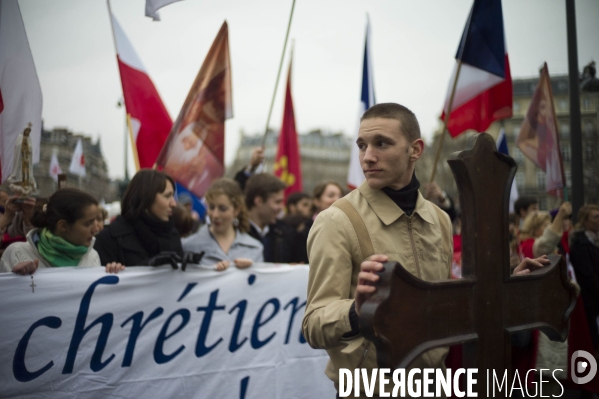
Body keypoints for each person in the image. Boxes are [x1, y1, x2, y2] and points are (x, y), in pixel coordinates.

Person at [302, 103, 454, 395]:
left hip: (436, 387)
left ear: (415, 150)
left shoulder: (440, 219)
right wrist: (358, 312)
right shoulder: (337, 220)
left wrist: (506, 283)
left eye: (381, 144)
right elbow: (314, 323)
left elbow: (445, 300)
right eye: (362, 145)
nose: (367, 157)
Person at [0, 188, 123, 274]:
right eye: (88, 223)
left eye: (97, 221)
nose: (96, 229)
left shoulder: (92, 256)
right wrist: (16, 278)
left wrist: (112, 275)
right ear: (63, 225)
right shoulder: (16, 253)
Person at [94, 169, 184, 266]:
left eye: (173, 196)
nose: (174, 204)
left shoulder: (172, 234)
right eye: (167, 196)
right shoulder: (109, 238)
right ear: (146, 199)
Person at [183, 178, 262, 271]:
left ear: (237, 210)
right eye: (211, 207)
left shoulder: (255, 248)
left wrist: (251, 270)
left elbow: (260, 284)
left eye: (222, 209)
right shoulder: (188, 245)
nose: (215, 215)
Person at [245, 173, 299, 263]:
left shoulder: (286, 234)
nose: (282, 207)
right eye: (277, 202)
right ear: (259, 201)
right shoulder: (234, 233)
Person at [569, 204, 599, 353]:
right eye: (596, 217)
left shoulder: (594, 241)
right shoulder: (581, 244)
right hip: (590, 299)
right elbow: (587, 275)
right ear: (585, 221)